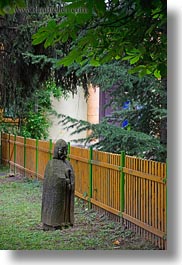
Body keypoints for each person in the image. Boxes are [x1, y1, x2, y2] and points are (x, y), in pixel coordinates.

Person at [41, 139, 75, 231]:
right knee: (56, 207)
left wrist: (70, 181)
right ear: (57, 150)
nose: (64, 153)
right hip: (56, 194)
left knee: (65, 207)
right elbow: (54, 177)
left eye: (65, 150)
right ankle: (53, 223)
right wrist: (64, 181)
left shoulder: (67, 163)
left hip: (66, 192)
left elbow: (71, 174)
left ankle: (66, 221)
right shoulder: (52, 163)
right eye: (62, 150)